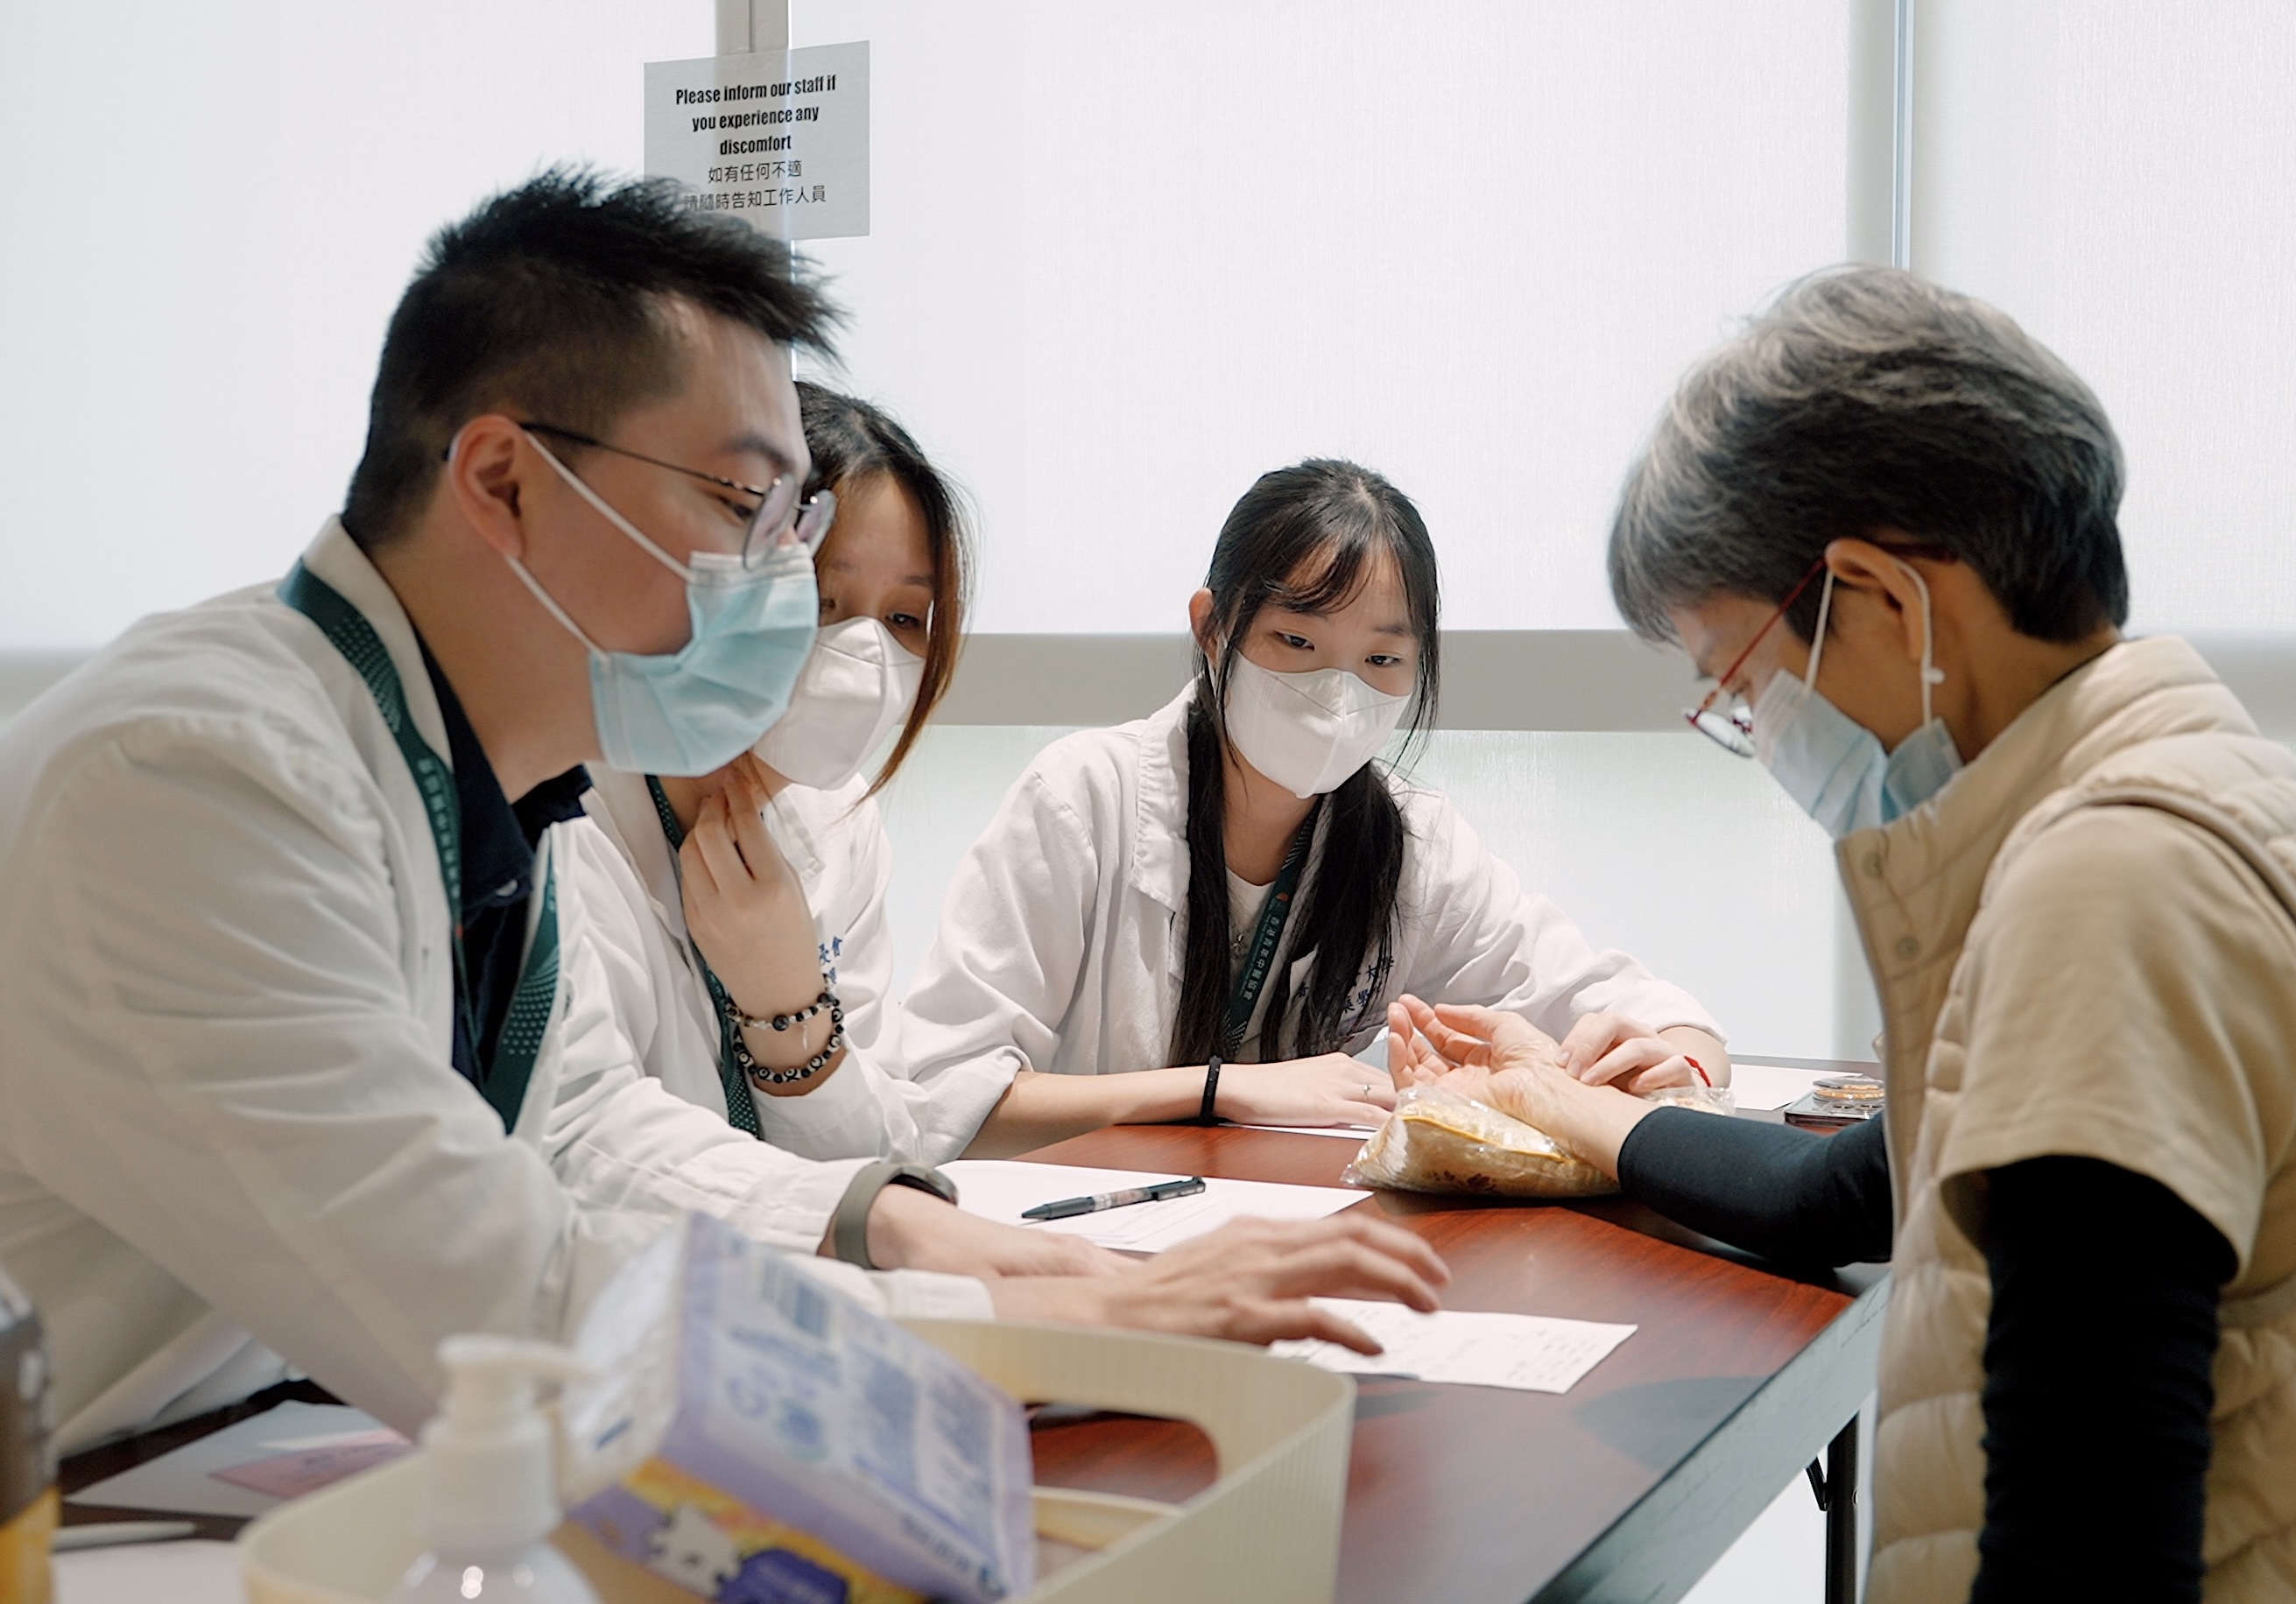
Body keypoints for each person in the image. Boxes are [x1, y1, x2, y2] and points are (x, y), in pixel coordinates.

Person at [0, 172, 1447, 1452]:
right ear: (503, 480)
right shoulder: (196, 781)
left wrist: (934, 1235)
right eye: (743, 505)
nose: (777, 584)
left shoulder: (476, 773)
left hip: (240, 1438)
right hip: (92, 1483)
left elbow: (580, 1127)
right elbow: (501, 1295)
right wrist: (1065, 1320)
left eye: (791, 525)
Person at [1384, 266, 2296, 1601]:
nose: (1756, 733)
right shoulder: (2181, 787)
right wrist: (1557, 1104)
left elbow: (2082, 1562)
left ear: (1879, 596)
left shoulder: (2109, 886)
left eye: (1739, 683)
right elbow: (1845, 1195)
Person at [897, 457, 1729, 1159]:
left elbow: (1640, 1011)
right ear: (1213, 628)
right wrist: (1221, 1092)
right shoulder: (1082, 799)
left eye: (1381, 659)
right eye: (1297, 643)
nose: (1338, 694)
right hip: (1076, 1248)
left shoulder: (1410, 844)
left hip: (1285, 1240)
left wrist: (1679, 1068)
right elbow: (943, 1097)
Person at [568, 384, 999, 1161]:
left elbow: (883, 1150)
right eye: (821, 598)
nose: (865, 651)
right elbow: (597, 1155)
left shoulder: (840, 824)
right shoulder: (569, 820)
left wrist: (787, 1008)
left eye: (904, 618)